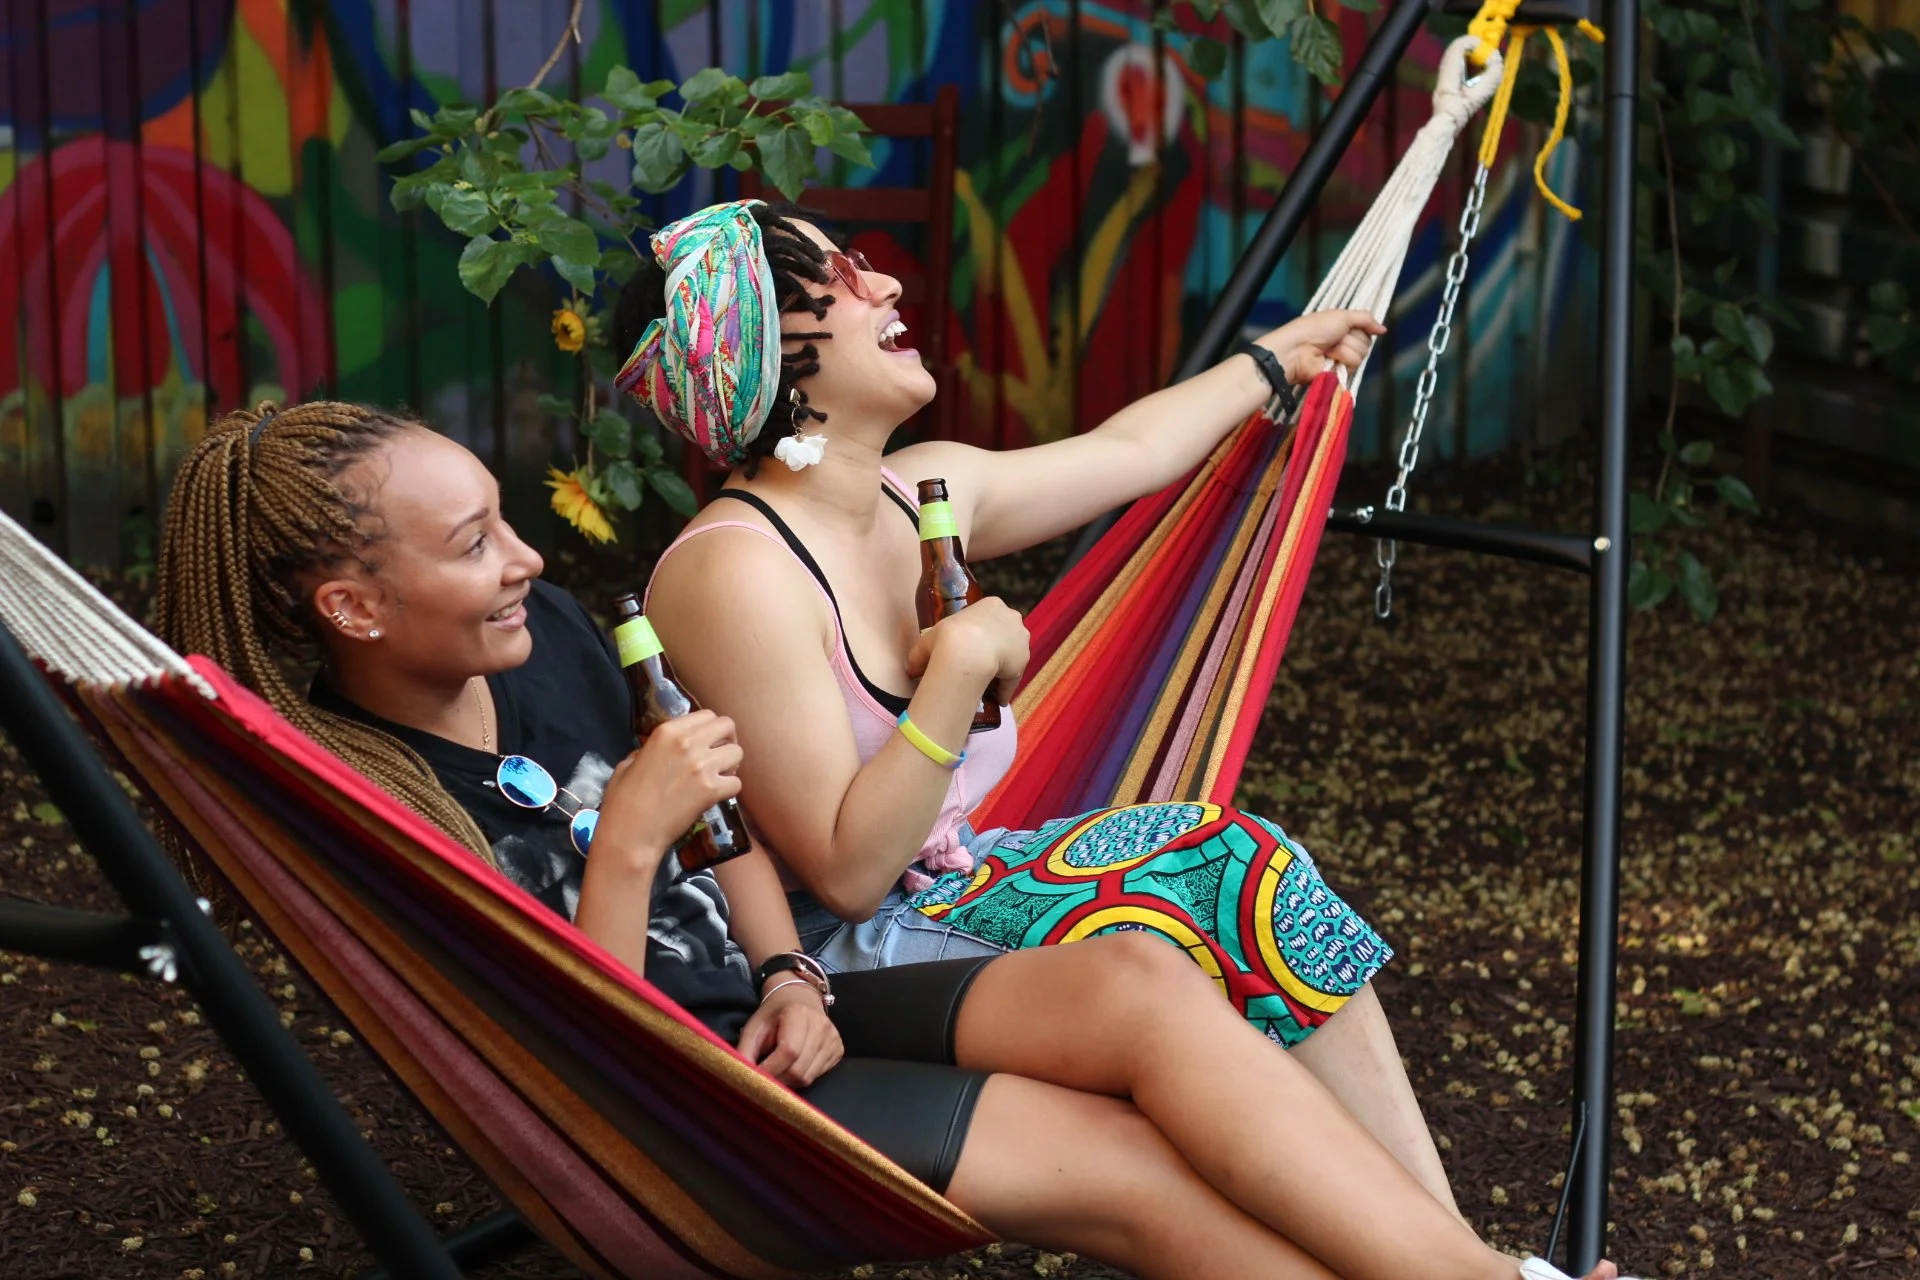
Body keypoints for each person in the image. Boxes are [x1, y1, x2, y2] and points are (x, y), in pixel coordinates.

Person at [152, 398, 1627, 1280]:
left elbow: (726, 826)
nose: (525, 555)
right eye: (471, 540)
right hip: (690, 1106)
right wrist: (624, 849)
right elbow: (568, 1057)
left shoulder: (537, 650)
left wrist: (789, 969)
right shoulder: (375, 803)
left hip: (790, 1012)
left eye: (501, 521)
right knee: (1133, 1174)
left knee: (1143, 988)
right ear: (350, 607)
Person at [627, 200, 1446, 1202]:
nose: (882, 287)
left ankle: (1443, 1246)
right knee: (1227, 870)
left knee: (1247, 865)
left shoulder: (915, 490)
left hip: (959, 886)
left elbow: (1129, 452)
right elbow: (845, 872)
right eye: (835, 280)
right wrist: (959, 670)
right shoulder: (734, 573)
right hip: (831, 960)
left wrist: (1276, 359)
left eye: (863, 266)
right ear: (760, 347)